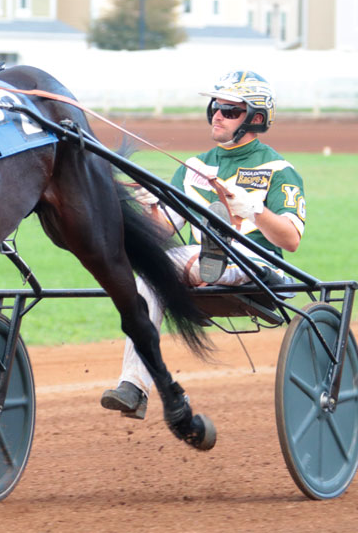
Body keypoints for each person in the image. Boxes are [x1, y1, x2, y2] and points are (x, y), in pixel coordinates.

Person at [101, 70, 306, 420]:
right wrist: (152, 205)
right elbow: (164, 231)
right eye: (216, 107)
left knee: (224, 254)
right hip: (199, 259)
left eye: (230, 110)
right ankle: (133, 386)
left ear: (255, 119)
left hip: (257, 262)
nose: (217, 115)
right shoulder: (194, 167)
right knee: (149, 275)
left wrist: (255, 211)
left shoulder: (279, 169)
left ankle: (219, 249)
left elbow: (290, 240)